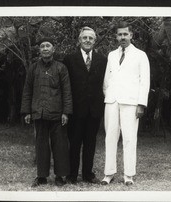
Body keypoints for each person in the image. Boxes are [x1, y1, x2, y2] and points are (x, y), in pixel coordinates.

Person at [101, 21, 150, 186]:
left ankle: (128, 175)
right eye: (119, 34)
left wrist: (141, 104)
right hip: (112, 102)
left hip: (131, 103)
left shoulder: (140, 55)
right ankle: (108, 173)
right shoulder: (111, 55)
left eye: (125, 34)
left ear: (131, 35)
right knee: (110, 138)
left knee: (129, 138)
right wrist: (108, 95)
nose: (122, 37)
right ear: (116, 36)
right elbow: (107, 79)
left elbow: (145, 81)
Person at [21, 37, 73, 187]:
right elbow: (27, 91)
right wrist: (27, 112)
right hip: (39, 113)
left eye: (47, 46)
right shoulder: (33, 68)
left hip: (57, 114)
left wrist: (66, 112)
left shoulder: (61, 68)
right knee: (41, 145)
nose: (45, 48)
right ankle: (41, 177)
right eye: (42, 46)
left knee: (60, 145)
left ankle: (60, 176)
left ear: (53, 49)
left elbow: (67, 92)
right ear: (40, 50)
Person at [63, 27, 107, 184]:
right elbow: (65, 86)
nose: (87, 40)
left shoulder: (102, 60)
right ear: (79, 40)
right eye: (85, 38)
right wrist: (66, 109)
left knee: (90, 143)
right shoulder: (69, 59)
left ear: (95, 41)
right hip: (75, 109)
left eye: (91, 38)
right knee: (74, 143)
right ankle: (72, 174)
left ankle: (88, 174)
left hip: (94, 110)